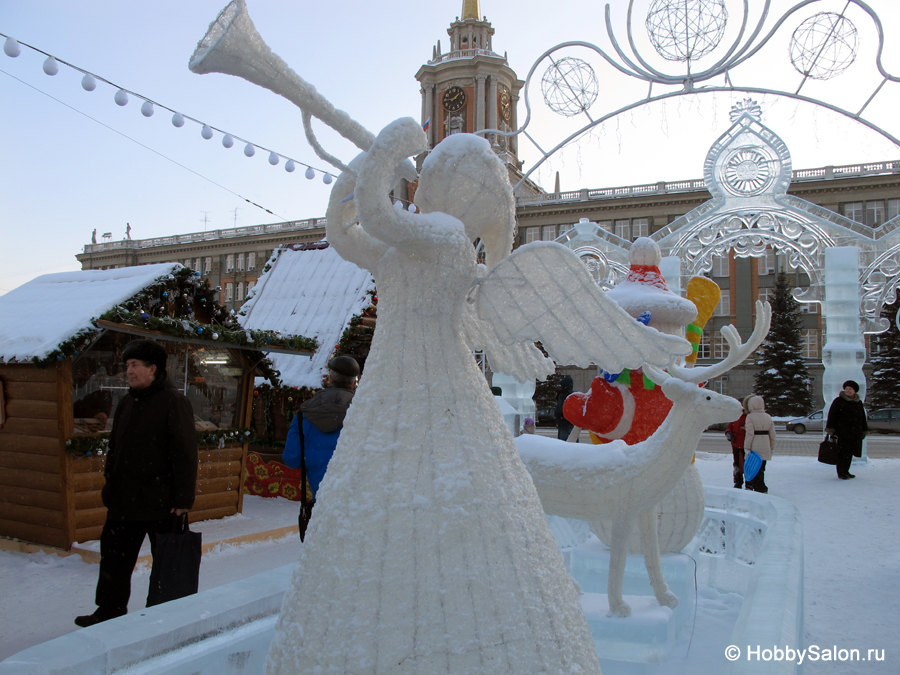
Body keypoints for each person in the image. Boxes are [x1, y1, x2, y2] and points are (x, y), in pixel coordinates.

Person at [75, 340, 198, 627]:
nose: (128, 371)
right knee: (114, 561)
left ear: (152, 369)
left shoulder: (173, 402)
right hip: (124, 501)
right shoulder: (128, 402)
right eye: (127, 365)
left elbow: (185, 453)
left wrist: (182, 500)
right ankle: (109, 611)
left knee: (167, 564)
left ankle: (163, 617)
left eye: (135, 365)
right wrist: (110, 484)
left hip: (162, 504)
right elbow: (115, 448)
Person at [282, 355, 359, 536]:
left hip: (322, 505)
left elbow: (291, 459)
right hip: (357, 506)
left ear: (329, 378)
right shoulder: (363, 412)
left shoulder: (304, 414)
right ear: (354, 383)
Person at [825, 380, 868, 480]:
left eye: (850, 389)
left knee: (850, 453)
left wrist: (864, 430)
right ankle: (841, 472)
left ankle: (846, 470)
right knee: (842, 453)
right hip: (841, 432)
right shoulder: (839, 401)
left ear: (854, 391)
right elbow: (832, 416)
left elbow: (862, 418)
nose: (848, 391)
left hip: (854, 433)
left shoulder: (858, 403)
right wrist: (831, 429)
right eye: (846, 389)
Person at [743, 395, 776, 493]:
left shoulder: (750, 417)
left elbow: (749, 434)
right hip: (765, 445)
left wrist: (747, 448)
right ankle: (761, 487)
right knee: (761, 468)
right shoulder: (768, 417)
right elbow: (773, 434)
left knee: (754, 468)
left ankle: (759, 487)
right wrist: (772, 447)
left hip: (754, 446)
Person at [725, 395, 751, 489]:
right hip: (736, 445)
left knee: (747, 465)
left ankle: (749, 483)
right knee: (737, 465)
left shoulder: (749, 417)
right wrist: (728, 434)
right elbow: (730, 427)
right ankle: (738, 482)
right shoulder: (735, 416)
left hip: (747, 446)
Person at [556, 375, 575, 441]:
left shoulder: (563, 396)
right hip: (572, 423)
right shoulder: (573, 395)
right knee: (573, 440)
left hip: (564, 423)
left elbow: (559, 410)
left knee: (563, 443)